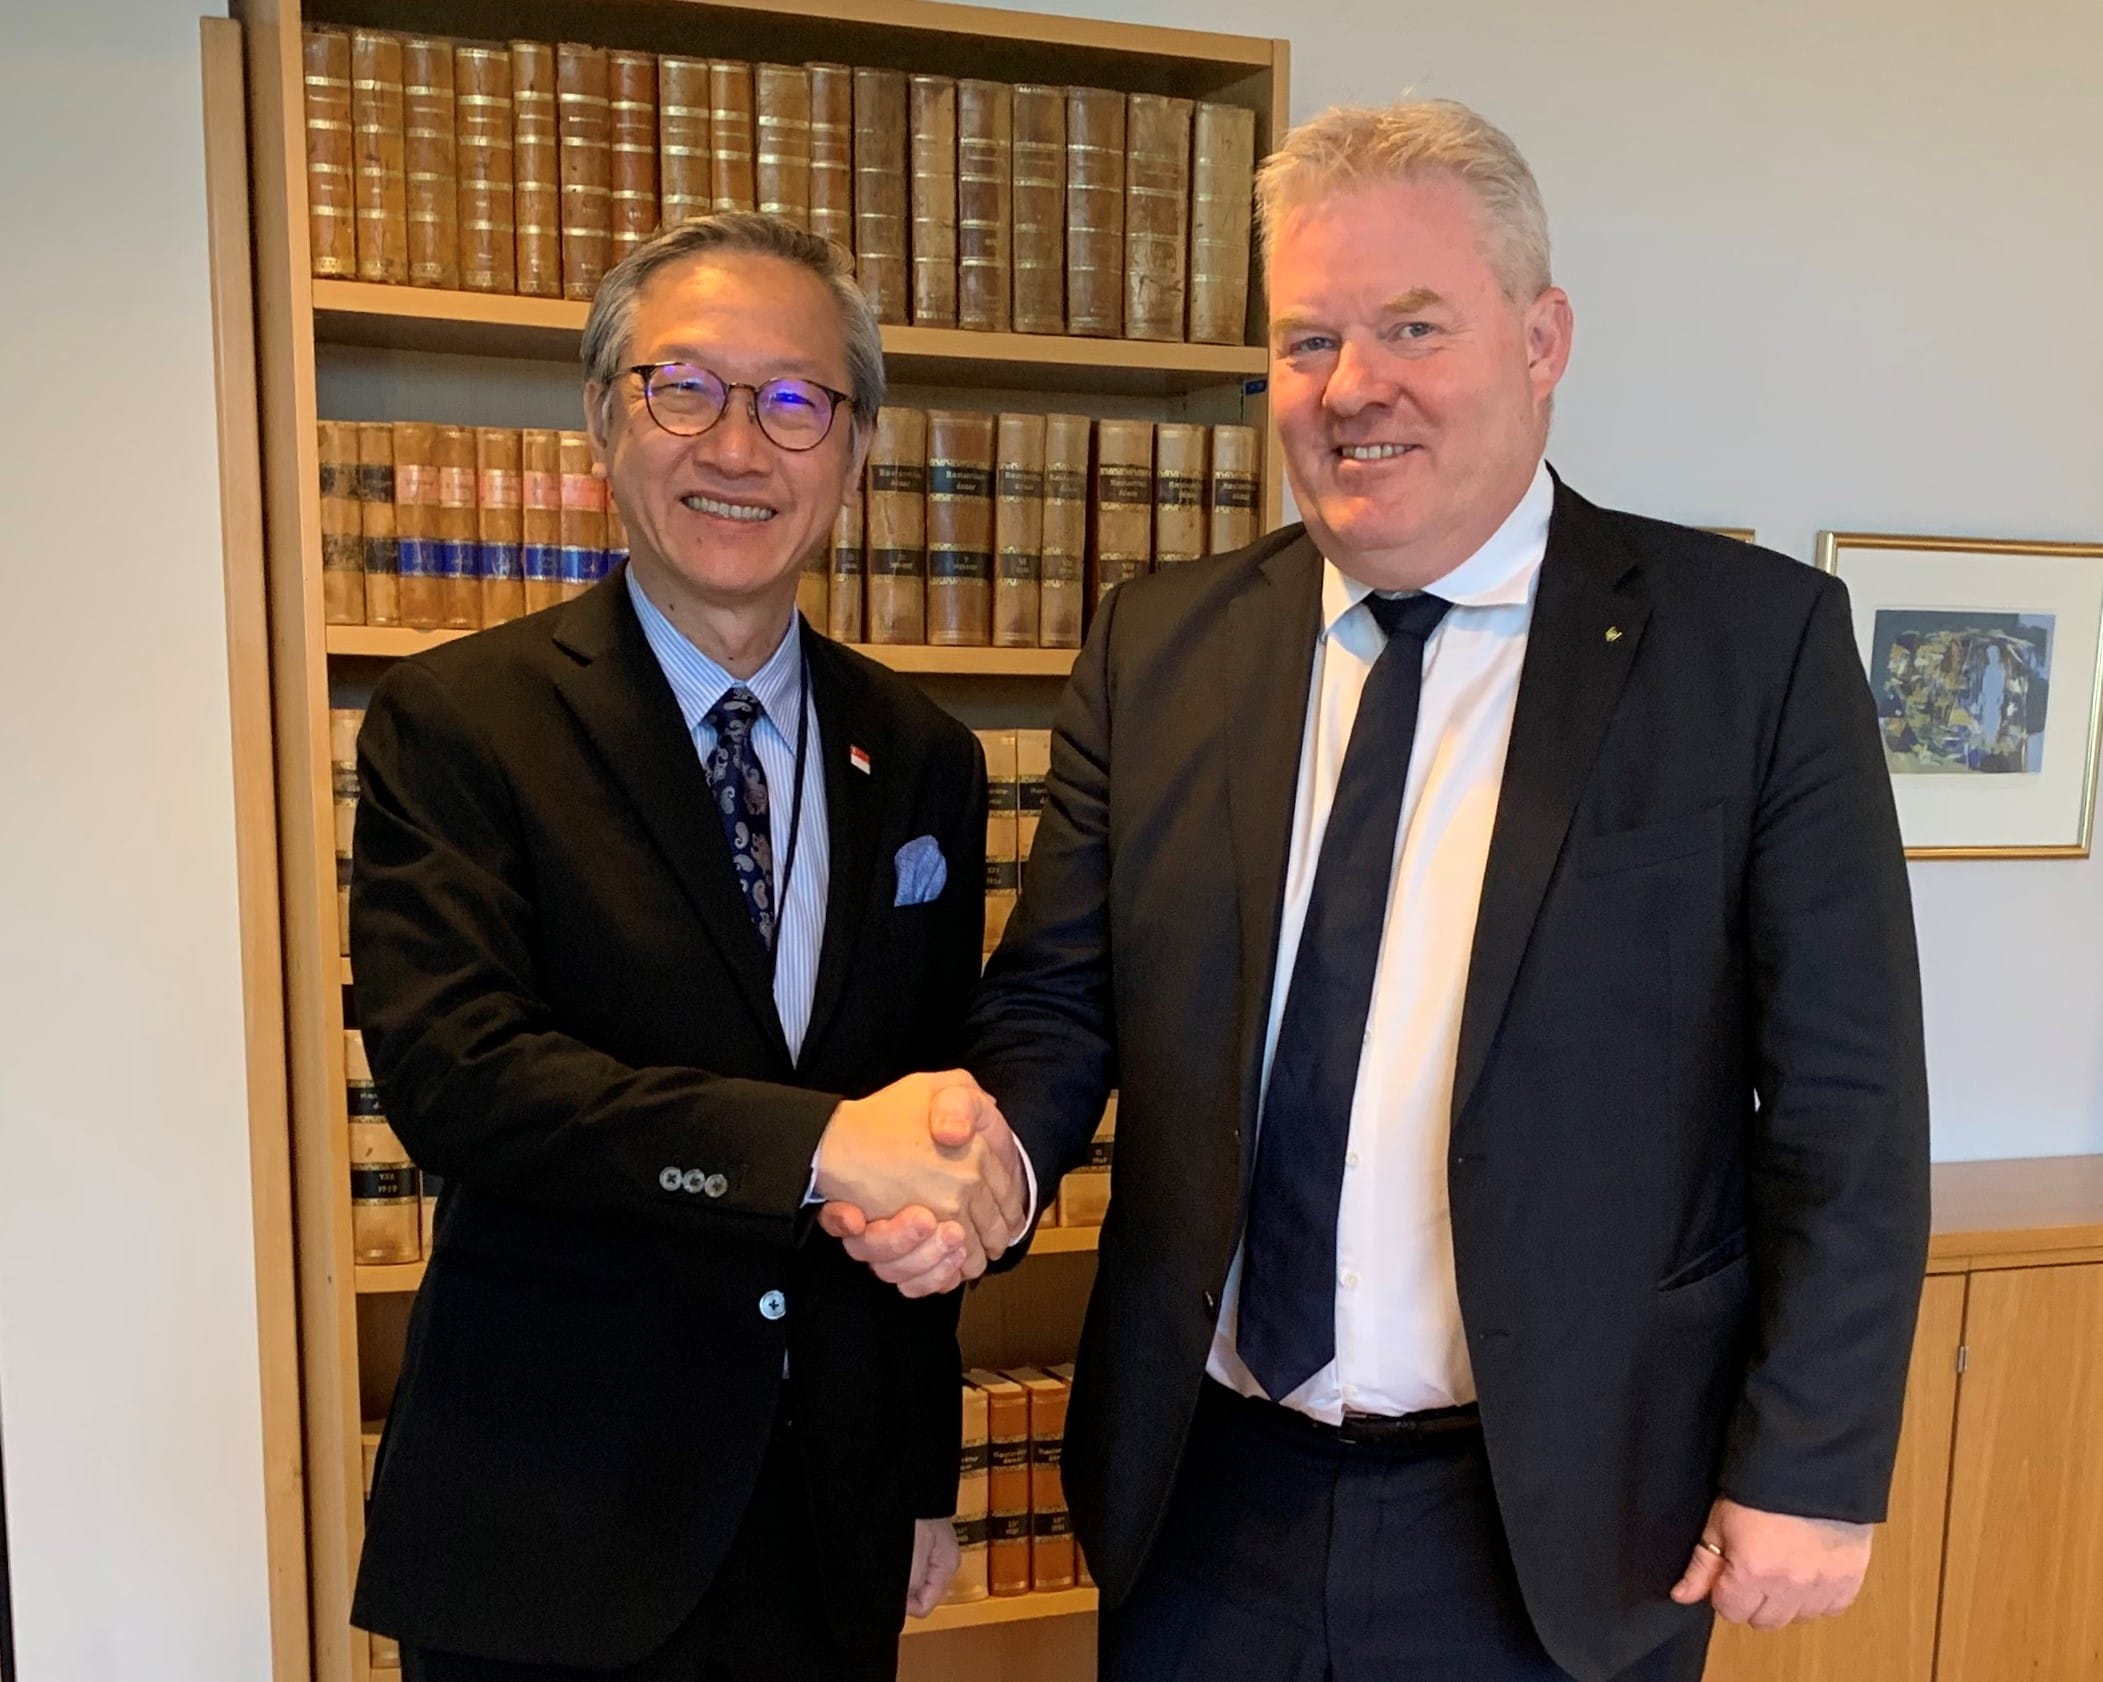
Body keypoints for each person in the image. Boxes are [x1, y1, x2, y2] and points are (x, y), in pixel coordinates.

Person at [830, 100, 1930, 1682]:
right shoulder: (1161, 646)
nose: (1354, 389)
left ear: (1543, 339)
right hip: (1207, 1497)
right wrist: (992, 1154)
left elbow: (1848, 1096)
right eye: (1308, 340)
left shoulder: (1750, 652)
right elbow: (1059, 997)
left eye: (1414, 325)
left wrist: (1813, 1457)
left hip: (1563, 1516)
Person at [349, 213, 1028, 1682]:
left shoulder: (922, 756)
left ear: (854, 455)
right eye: (686, 389)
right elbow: (460, 1078)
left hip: (828, 1505)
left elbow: (926, 1102)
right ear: (605, 421)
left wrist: (917, 1465)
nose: (740, 445)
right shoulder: (459, 722)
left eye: (794, 402)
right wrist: (814, 1145)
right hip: (553, 1508)